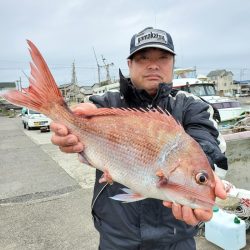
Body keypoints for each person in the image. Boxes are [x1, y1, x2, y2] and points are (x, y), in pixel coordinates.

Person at [51, 27, 228, 250]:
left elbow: (208, 141)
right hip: (116, 237)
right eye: (143, 58)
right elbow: (85, 117)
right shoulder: (106, 103)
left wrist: (204, 171)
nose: (153, 65)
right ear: (129, 64)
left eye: (163, 57)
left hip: (177, 240)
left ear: (173, 63)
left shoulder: (192, 105)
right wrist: (67, 130)